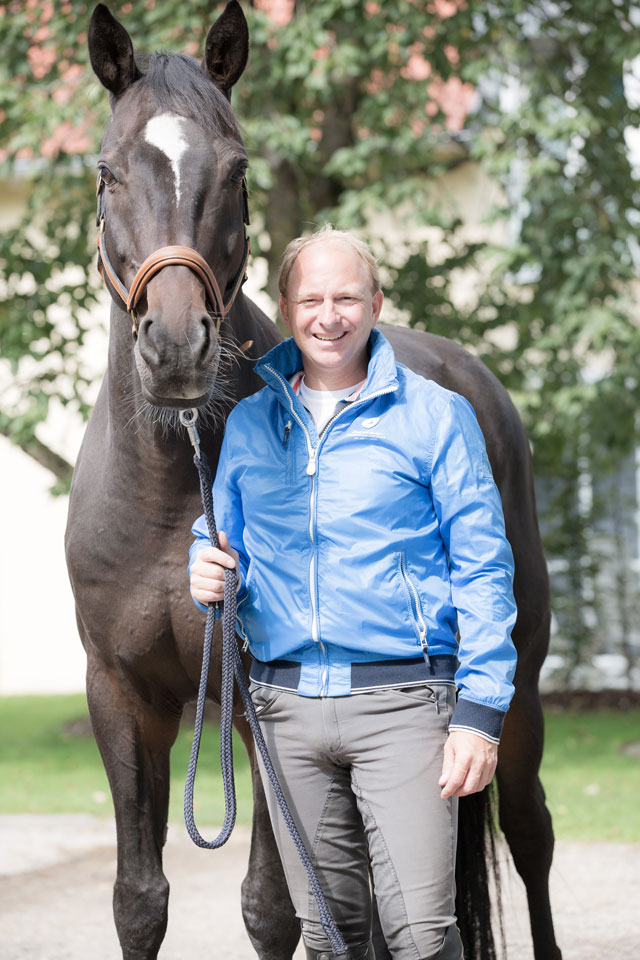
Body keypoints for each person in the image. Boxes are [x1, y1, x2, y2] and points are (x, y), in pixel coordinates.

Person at [189, 226, 517, 960]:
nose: (327, 316)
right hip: (286, 708)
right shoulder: (249, 423)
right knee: (327, 935)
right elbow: (216, 538)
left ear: (375, 304)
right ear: (285, 307)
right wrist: (202, 568)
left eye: (345, 297)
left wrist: (480, 714)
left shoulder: (434, 417)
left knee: (421, 936)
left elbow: (485, 570)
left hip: (404, 705)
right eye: (311, 299)